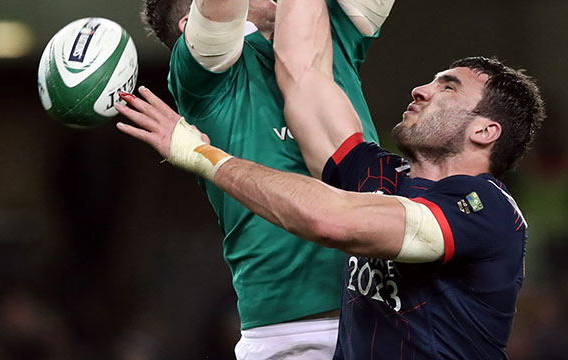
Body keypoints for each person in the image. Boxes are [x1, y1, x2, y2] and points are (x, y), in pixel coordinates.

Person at [117, 0, 545, 358]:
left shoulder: (486, 210)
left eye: (448, 88)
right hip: (286, 332)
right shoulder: (380, 173)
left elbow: (330, 220)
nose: (420, 89)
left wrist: (204, 156)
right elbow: (303, 74)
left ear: (485, 131)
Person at [137, 0, 395, 358]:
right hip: (292, 333)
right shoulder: (202, 77)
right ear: (190, 24)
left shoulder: (330, 36)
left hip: (385, 319)